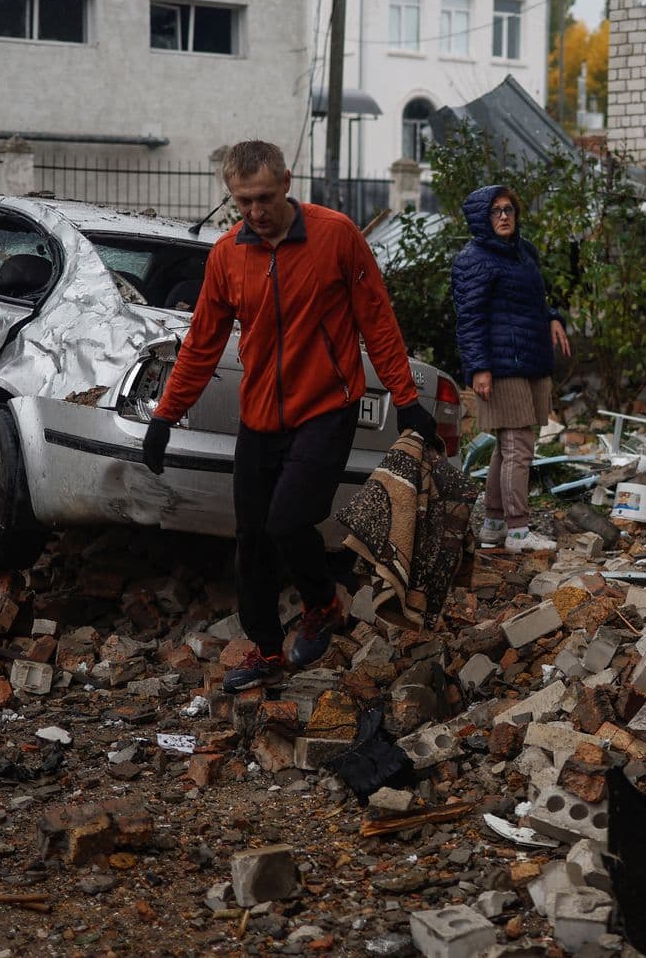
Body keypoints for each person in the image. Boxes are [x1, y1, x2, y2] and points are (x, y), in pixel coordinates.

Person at [138, 140, 438, 692]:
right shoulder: (228, 255)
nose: (254, 211)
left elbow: (376, 318)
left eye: (264, 197)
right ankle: (267, 651)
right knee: (251, 537)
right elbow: (202, 343)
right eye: (242, 201)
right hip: (260, 416)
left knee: (287, 521)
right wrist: (165, 415)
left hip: (327, 406)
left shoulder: (335, 236)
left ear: (288, 182)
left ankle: (323, 602)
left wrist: (404, 396)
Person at [451, 185, 570, 552]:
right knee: (519, 446)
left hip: (530, 358)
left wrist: (551, 317)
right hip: (502, 365)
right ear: (481, 219)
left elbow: (535, 297)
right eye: (495, 211)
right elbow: (469, 319)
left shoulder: (523, 252)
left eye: (509, 210)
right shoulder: (473, 259)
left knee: (508, 447)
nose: (504, 216)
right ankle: (519, 532)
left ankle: (493, 523)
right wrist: (479, 368)